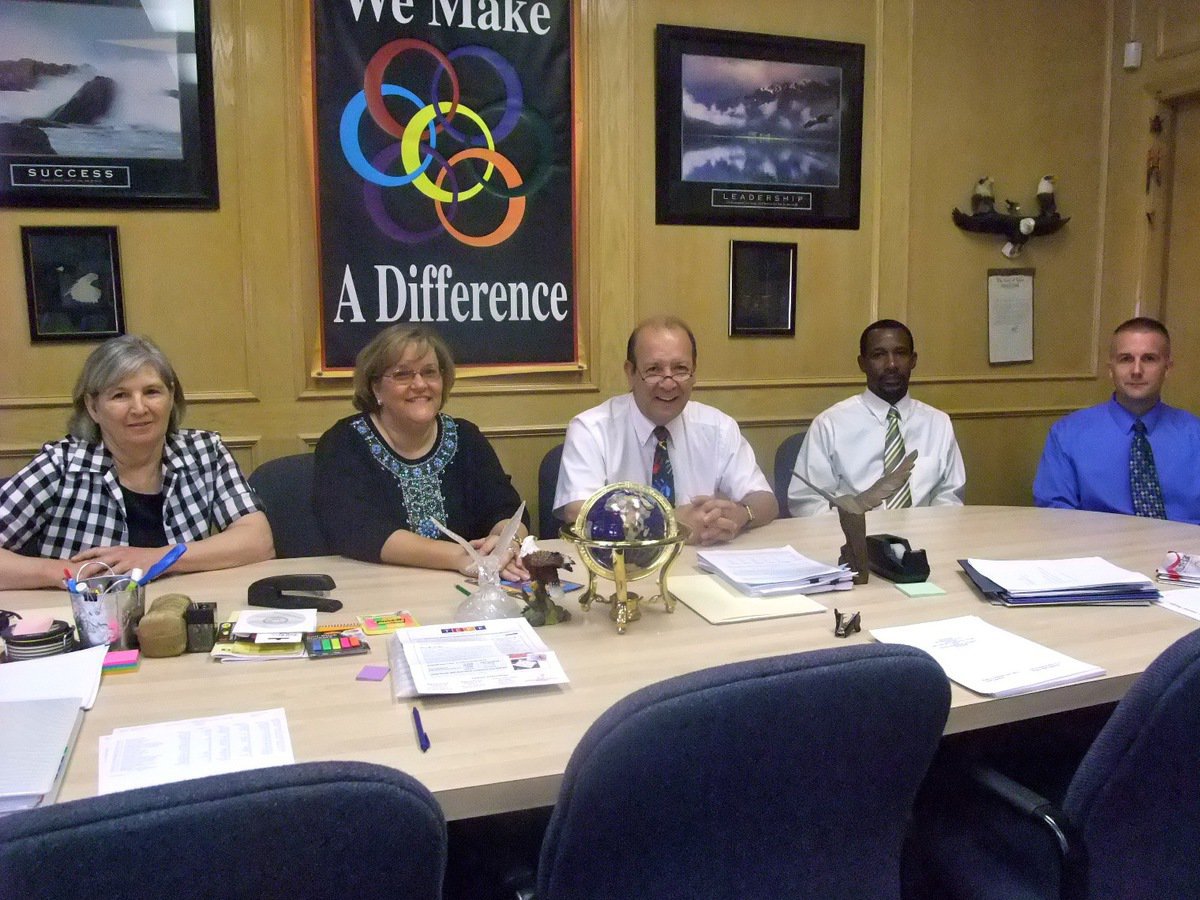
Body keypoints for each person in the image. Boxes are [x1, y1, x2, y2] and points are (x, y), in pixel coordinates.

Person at [0, 335, 274, 590]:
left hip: (177, 616)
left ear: (171, 397)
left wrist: (155, 559)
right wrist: (65, 573)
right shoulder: (61, 465)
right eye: (120, 395)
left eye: (152, 392)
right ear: (93, 407)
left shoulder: (204, 452)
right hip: (84, 624)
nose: (140, 408)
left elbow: (258, 541)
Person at [314, 324, 528, 578]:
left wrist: (506, 545)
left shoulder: (466, 438)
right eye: (403, 375)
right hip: (378, 587)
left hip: (469, 584)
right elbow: (359, 531)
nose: (419, 384)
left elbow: (509, 510)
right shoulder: (344, 442)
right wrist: (461, 557)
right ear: (375, 387)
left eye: (430, 373)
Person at [554, 315, 777, 545]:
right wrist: (671, 521)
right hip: (620, 569)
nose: (668, 383)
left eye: (680, 369)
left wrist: (741, 514)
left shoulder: (719, 427)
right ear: (630, 373)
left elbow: (765, 500)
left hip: (700, 565)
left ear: (694, 373)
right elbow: (577, 512)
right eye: (654, 370)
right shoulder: (591, 429)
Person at [789, 319, 965, 516]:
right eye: (878, 355)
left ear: (913, 360)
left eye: (900, 353)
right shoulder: (830, 424)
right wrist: (855, 532)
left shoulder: (938, 424)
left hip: (925, 539)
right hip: (852, 539)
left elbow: (949, 497)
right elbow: (808, 502)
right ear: (862, 363)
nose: (891, 364)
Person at [1034, 316, 1200, 523]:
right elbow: (1055, 513)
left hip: (1187, 551)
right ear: (1110, 368)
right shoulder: (1067, 434)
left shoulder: (1195, 436)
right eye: (1126, 359)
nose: (1136, 371)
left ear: (1167, 368)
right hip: (1099, 550)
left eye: (1149, 359)